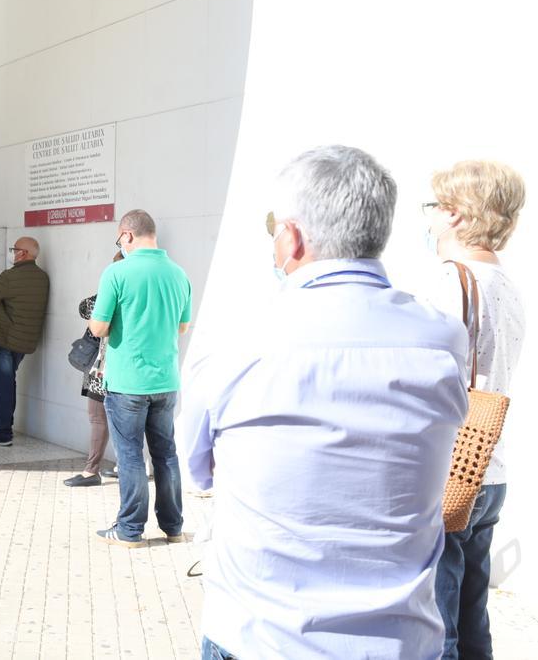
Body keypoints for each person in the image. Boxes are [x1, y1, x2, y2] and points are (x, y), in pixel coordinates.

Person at [177, 145, 470, 659]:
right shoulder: (442, 337)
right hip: (403, 641)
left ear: (290, 237)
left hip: (260, 637)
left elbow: (199, 469)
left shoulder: (234, 341)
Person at [421, 160, 526, 660]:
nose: (431, 221)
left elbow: (428, 382)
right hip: (490, 466)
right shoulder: (507, 285)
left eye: (435, 208)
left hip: (450, 470)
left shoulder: (452, 281)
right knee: (473, 617)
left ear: (458, 215)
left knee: (437, 623)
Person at [86, 211, 191, 545]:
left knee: (130, 455)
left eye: (120, 240)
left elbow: (99, 327)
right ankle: (173, 527)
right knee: (166, 454)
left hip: (128, 381)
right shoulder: (178, 274)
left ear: (127, 235)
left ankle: (130, 530)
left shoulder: (117, 272)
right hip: (166, 380)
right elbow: (183, 326)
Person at [0, 237, 50, 446]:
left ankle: (3, 432)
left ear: (23, 254)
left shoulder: (9, 277)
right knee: (9, 383)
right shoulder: (42, 278)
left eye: (14, 249)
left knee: (3, 388)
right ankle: (5, 428)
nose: (12, 252)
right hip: (24, 342)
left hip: (3, 341)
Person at [64, 251, 123, 487]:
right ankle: (125, 466)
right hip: (132, 368)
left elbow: (83, 307)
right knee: (129, 419)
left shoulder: (109, 295)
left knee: (97, 417)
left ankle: (91, 471)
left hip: (104, 367)